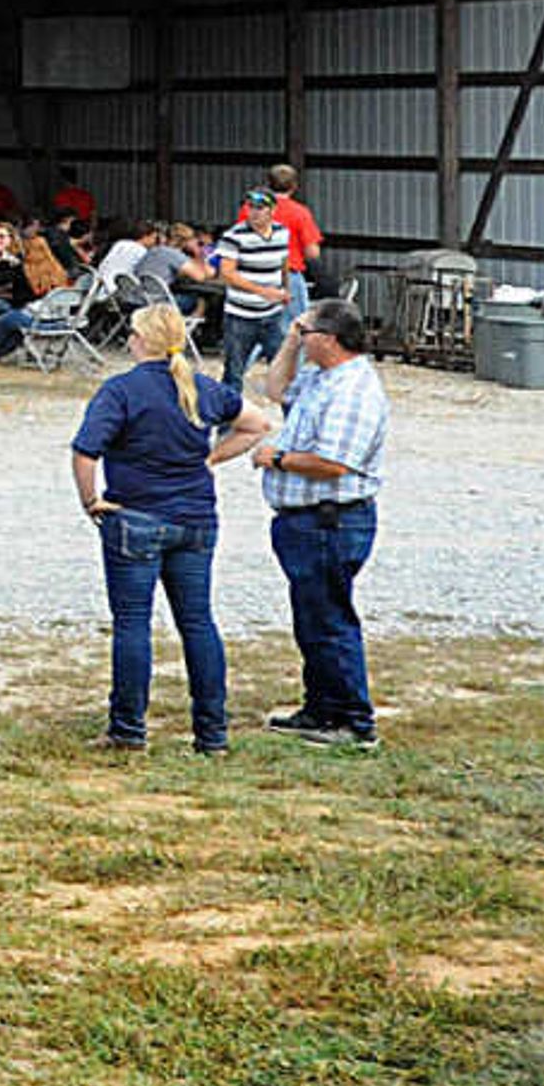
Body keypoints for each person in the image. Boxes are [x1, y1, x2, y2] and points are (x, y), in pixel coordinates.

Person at [73, 305, 271, 754]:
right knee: (197, 622)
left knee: (133, 624)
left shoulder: (121, 390)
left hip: (136, 515)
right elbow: (257, 424)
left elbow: (86, 451)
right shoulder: (197, 387)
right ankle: (212, 732)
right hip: (195, 517)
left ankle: (127, 728)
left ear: (141, 340)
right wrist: (212, 459)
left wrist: (91, 500)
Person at [250, 299, 390, 750]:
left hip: (331, 521)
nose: (299, 337)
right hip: (302, 521)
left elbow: (335, 463)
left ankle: (353, 719)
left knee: (330, 619)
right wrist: (291, 341)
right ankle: (321, 707)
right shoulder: (319, 376)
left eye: (306, 332)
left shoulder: (353, 391)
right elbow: (275, 388)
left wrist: (278, 459)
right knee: (311, 617)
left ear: (328, 340)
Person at [205, 191, 296, 390]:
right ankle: (227, 418)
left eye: (260, 208)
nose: (254, 212)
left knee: (283, 371)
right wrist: (262, 291)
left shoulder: (282, 233)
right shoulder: (233, 236)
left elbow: (283, 263)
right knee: (234, 373)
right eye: (250, 207)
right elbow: (227, 274)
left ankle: (293, 417)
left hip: (272, 314)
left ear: (272, 210)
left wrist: (285, 289)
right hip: (240, 315)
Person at [255, 164, 324, 297]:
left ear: (268, 184)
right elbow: (312, 253)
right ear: (294, 186)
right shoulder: (300, 212)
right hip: (286, 277)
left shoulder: (249, 210)